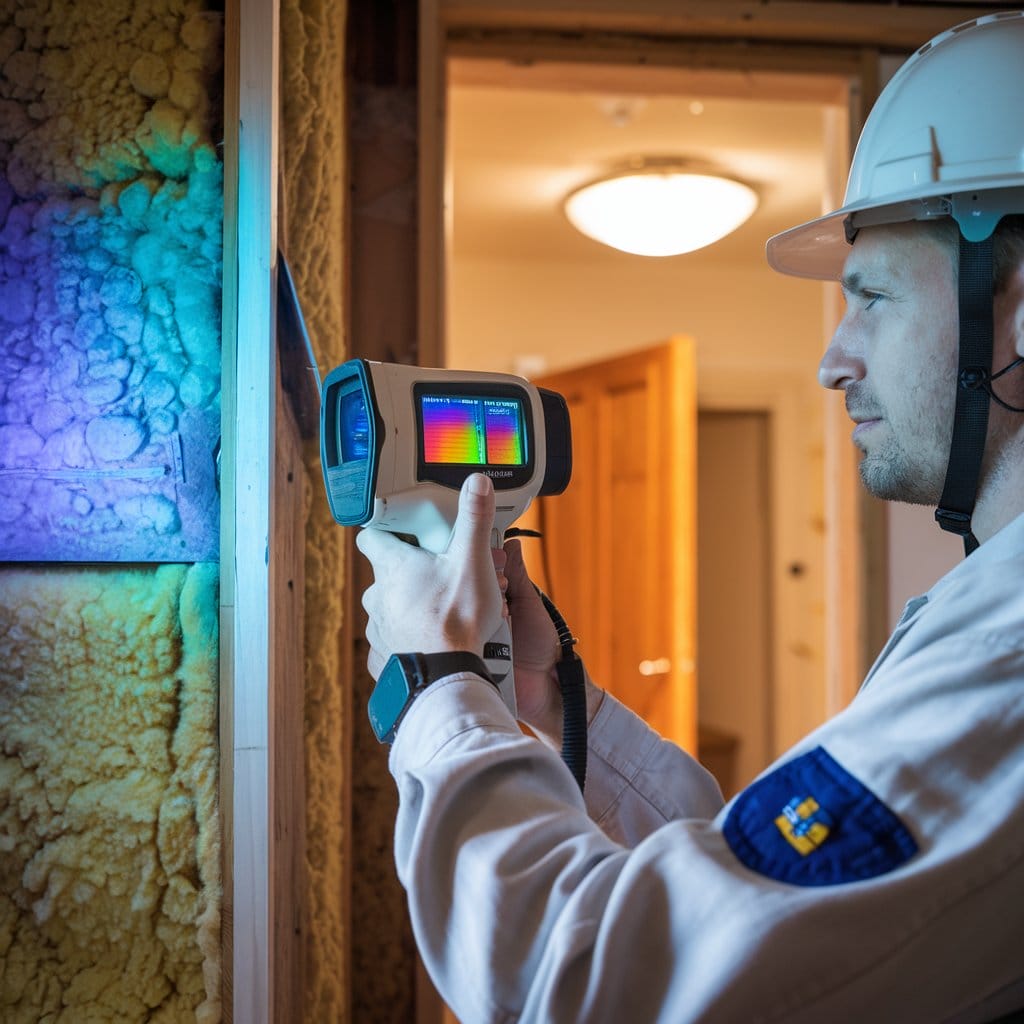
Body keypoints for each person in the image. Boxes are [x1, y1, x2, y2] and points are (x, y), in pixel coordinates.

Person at [356, 13, 1024, 1023]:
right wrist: (550, 699)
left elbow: (601, 988)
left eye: (873, 297)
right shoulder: (989, 603)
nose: (832, 359)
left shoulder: (1008, 659)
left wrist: (438, 686)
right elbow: (777, 907)